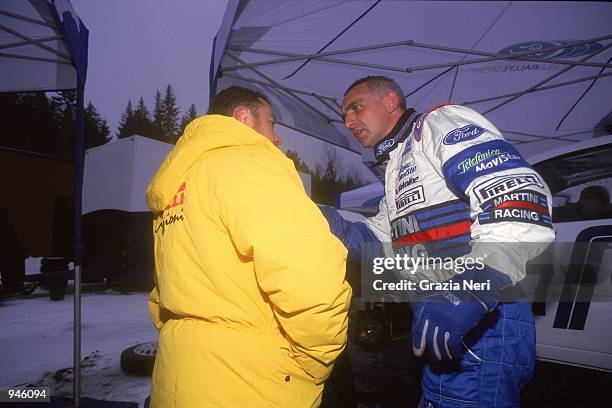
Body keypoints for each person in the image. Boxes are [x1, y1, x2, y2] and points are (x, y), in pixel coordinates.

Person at [322, 76, 555, 407]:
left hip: (484, 318)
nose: (348, 122)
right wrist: (322, 220)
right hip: (445, 318)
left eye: (356, 108)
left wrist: (472, 285)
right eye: (344, 115)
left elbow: (519, 193)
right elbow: (379, 239)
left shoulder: (437, 124)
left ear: (390, 102)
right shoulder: (398, 165)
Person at [146, 86, 351, 408]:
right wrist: (316, 360)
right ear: (243, 117)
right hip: (248, 380)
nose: (278, 138)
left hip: (179, 372)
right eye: (271, 122)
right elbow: (308, 275)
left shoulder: (178, 182)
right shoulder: (249, 163)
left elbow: (164, 287)